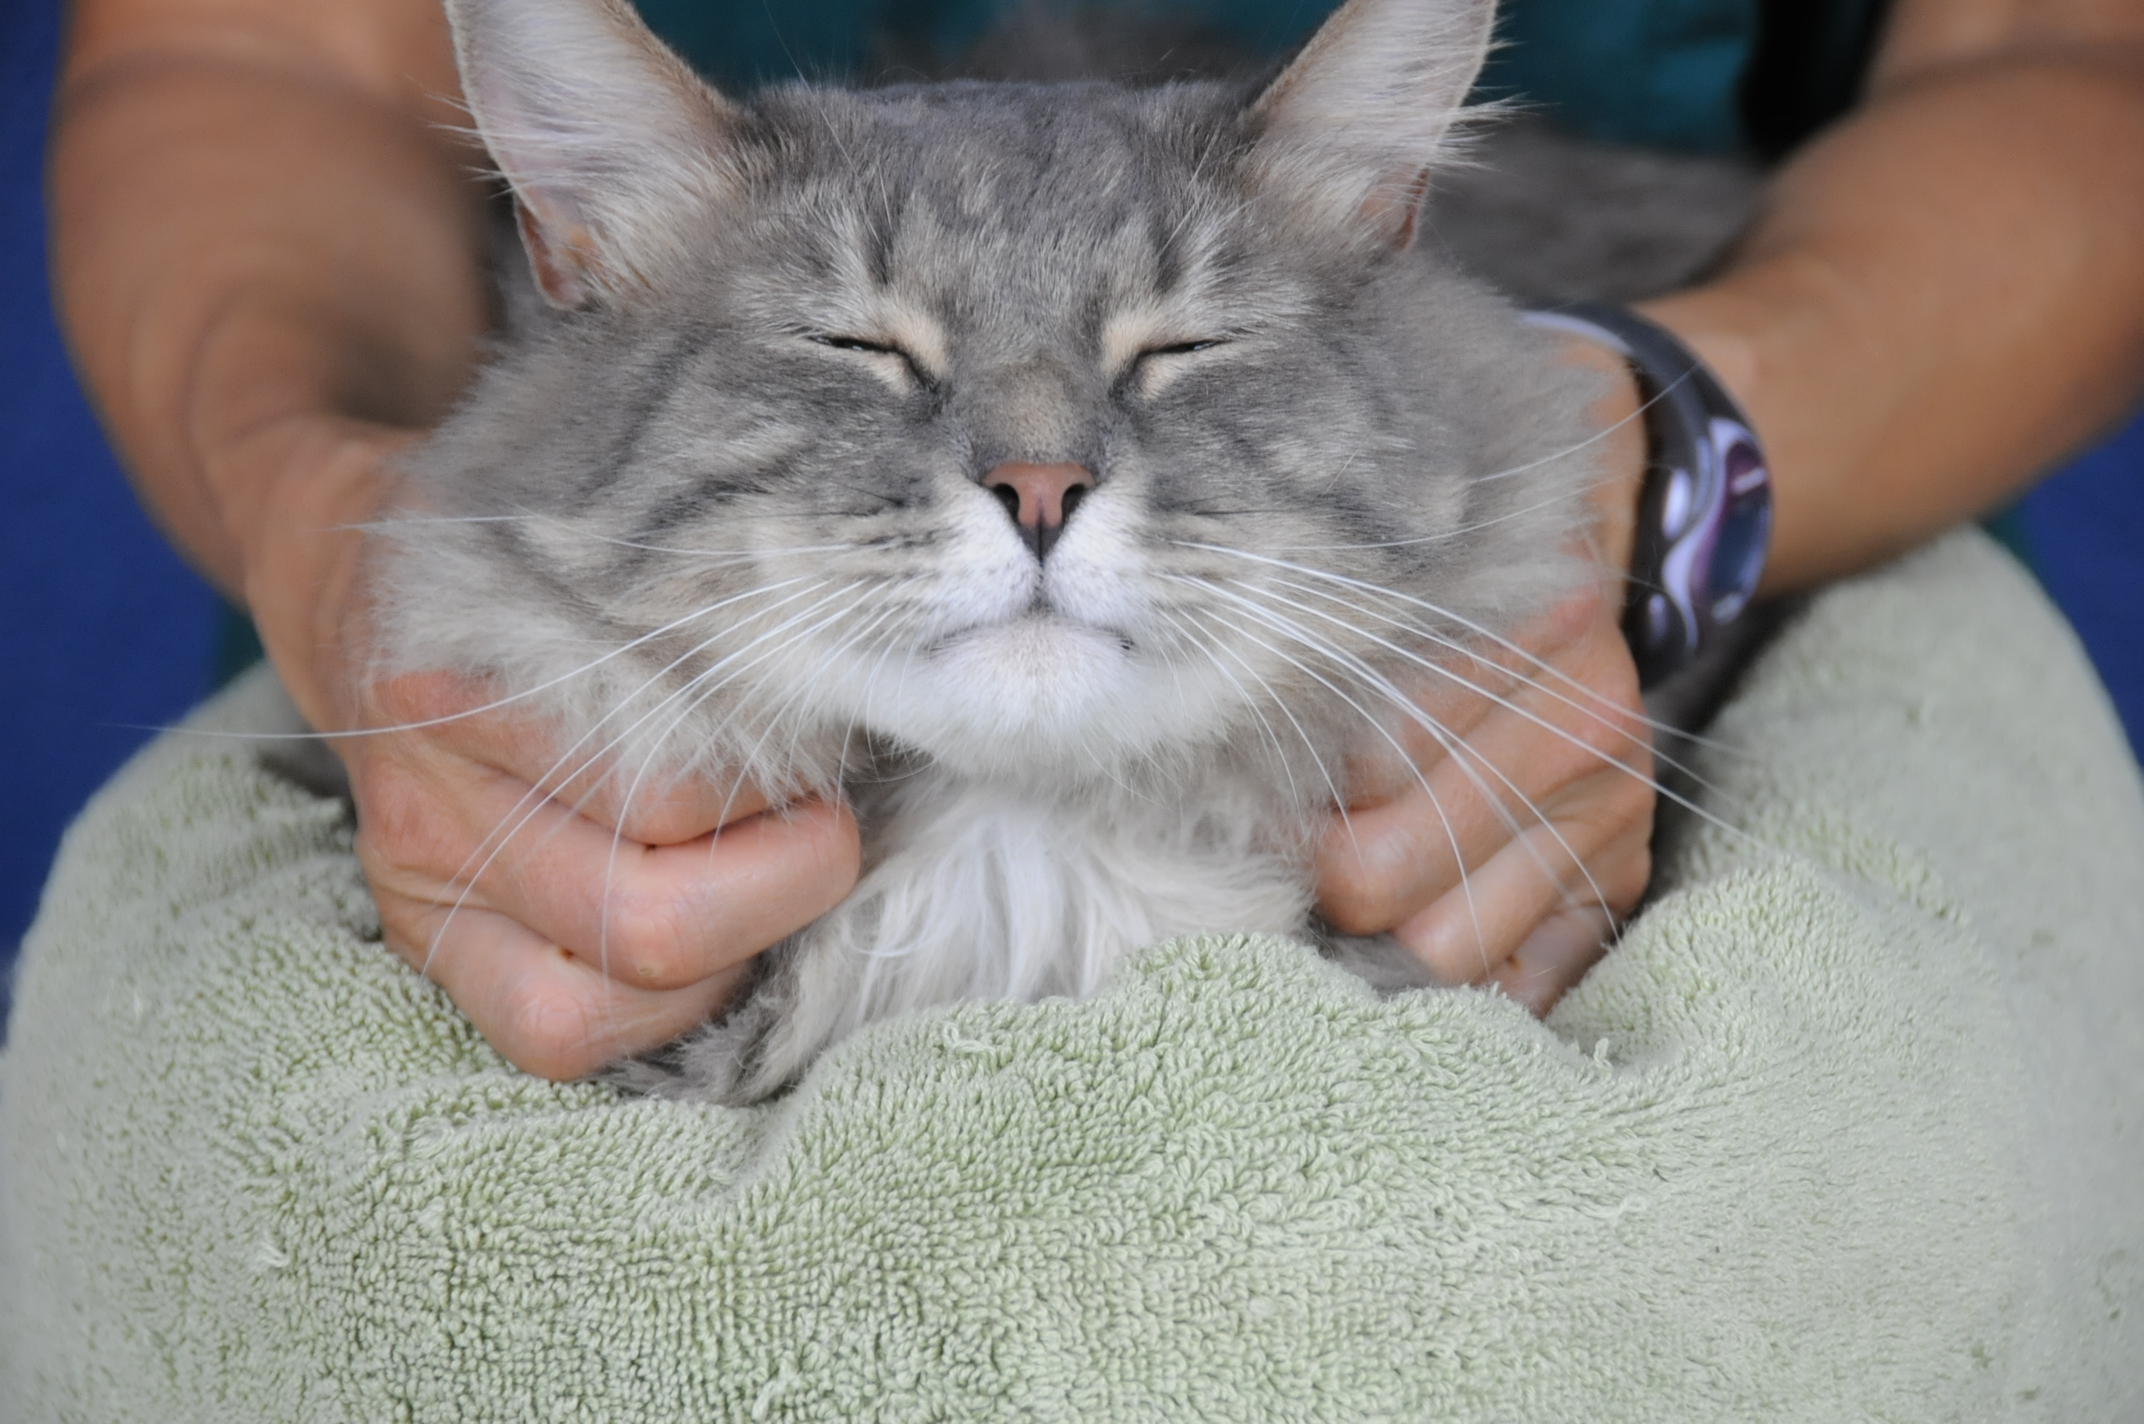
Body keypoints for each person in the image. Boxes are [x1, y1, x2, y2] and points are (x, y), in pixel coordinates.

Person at [49, 0, 2144, 1079]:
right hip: (502, 490)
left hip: (1798, 405)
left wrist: (1679, 452)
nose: (1032, 476)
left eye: (1165, 363)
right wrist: (327, 520)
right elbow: (246, 54)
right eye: (873, 359)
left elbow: (2074, 65)